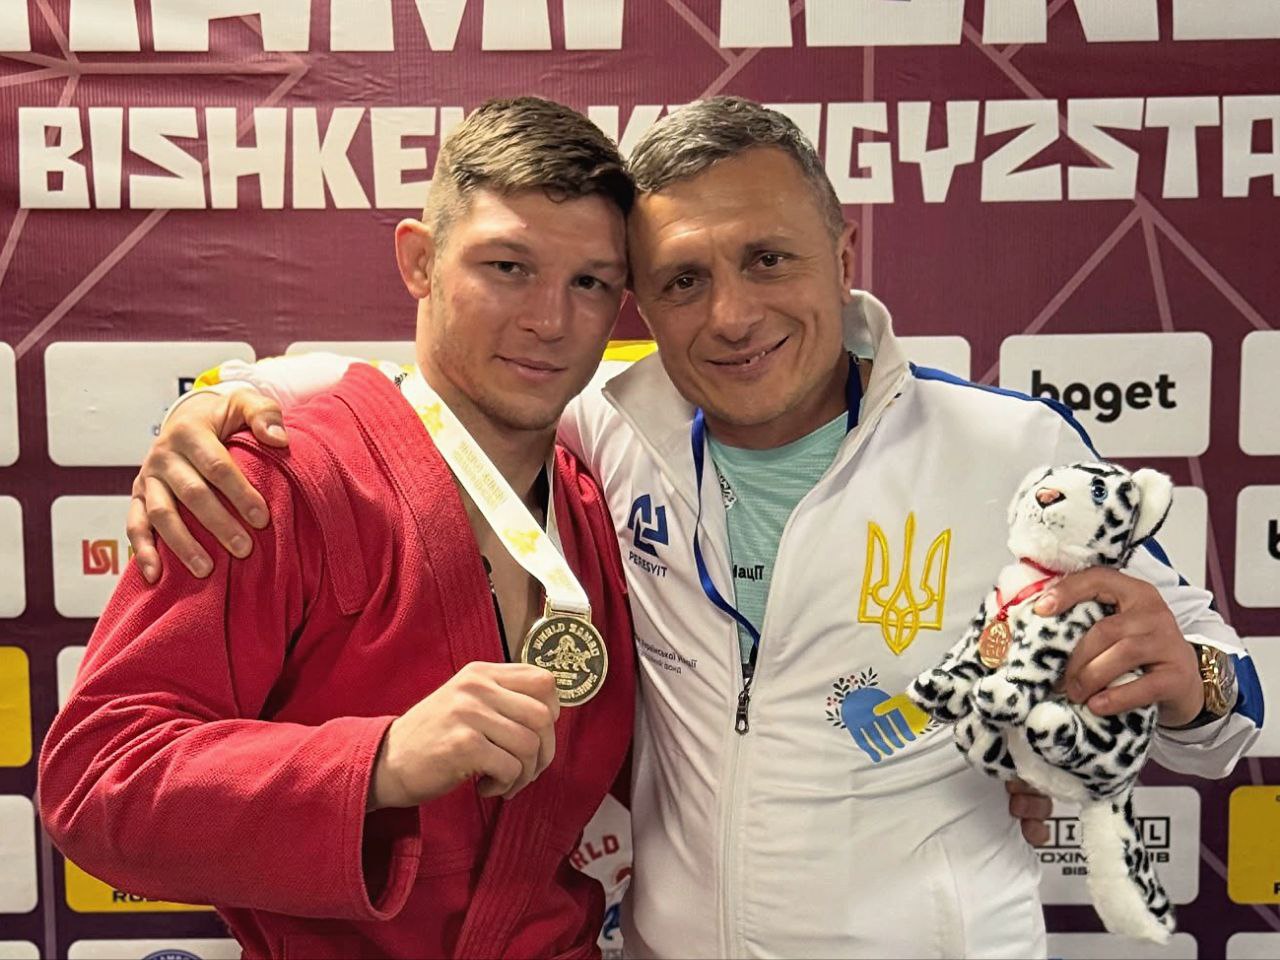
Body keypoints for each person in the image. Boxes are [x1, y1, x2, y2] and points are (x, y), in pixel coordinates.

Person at [121, 97, 1264, 958]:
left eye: (766, 259)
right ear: (643, 302)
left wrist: (1195, 682)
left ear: (841, 257)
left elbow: (1226, 708)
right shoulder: (608, 426)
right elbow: (443, 385)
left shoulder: (1008, 450)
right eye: (679, 281)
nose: (729, 316)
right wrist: (230, 398)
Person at [38, 97, 639, 960]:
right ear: (420, 260)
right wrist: (379, 763)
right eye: (508, 267)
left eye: (591, 283)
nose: (550, 319)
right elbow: (101, 779)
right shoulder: (271, 479)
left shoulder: (611, 502)